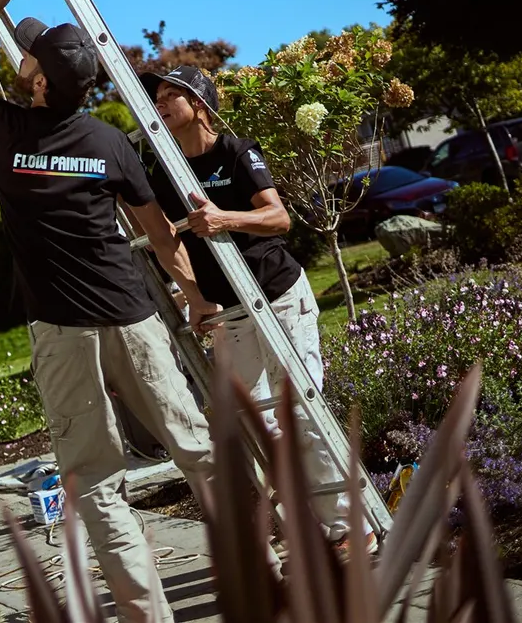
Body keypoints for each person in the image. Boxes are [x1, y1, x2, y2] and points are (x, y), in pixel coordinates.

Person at [0, 0, 215, 623]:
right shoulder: (107, 141)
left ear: (41, 83)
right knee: (199, 448)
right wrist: (196, 299)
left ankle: (146, 617)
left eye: (32, 55)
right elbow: (159, 235)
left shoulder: (4, 132)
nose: (24, 54)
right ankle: (261, 576)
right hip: (134, 317)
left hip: (65, 333)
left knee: (95, 482)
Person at [138, 64, 371, 554]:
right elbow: (167, 241)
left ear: (199, 103)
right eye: (154, 96)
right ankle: (310, 528)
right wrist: (194, 295)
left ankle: (353, 530)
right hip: (229, 311)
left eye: (168, 94)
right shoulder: (166, 171)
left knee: (302, 412)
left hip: (279, 296)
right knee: (254, 424)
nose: (157, 103)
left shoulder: (236, 151)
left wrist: (226, 218)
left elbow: (278, 217)